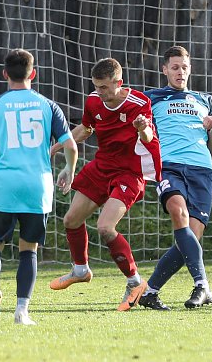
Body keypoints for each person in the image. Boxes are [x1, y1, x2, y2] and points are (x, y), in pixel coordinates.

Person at [0, 48, 78, 325]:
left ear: (5, 74)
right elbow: (71, 146)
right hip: (37, 188)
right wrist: (68, 169)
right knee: (29, 250)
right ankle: (21, 312)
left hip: (4, 186)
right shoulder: (48, 106)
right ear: (34, 74)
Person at [48, 57, 162, 312]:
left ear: (118, 83)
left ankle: (134, 282)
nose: (99, 93)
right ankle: (80, 269)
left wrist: (141, 129)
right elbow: (86, 129)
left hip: (129, 173)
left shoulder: (139, 103)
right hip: (101, 167)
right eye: (96, 87)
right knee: (70, 220)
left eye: (104, 88)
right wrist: (56, 147)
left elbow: (148, 137)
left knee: (105, 226)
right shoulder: (93, 101)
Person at [137, 45, 212, 311]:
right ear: (164, 69)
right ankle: (202, 285)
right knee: (178, 213)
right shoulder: (151, 98)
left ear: (190, 69)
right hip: (170, 167)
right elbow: (144, 134)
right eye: (175, 67)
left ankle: (150, 292)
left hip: (202, 170)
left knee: (189, 240)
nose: (180, 72)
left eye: (184, 67)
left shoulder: (204, 100)